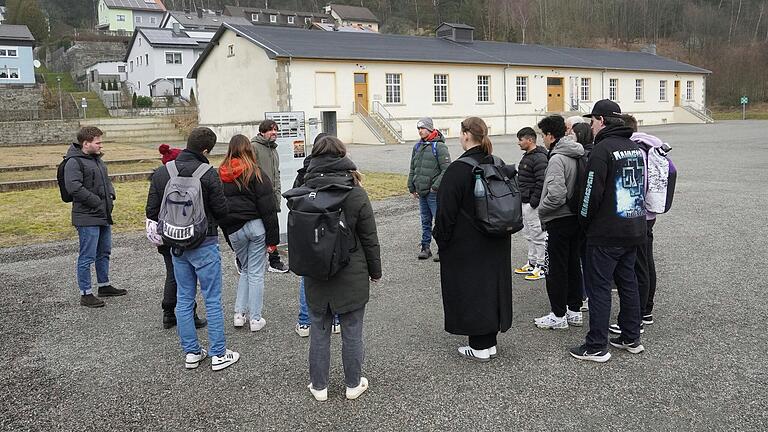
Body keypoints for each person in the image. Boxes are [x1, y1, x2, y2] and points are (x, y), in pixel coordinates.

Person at [146, 127, 239, 371]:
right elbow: (221, 211)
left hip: (175, 245)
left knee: (184, 299)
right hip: (204, 242)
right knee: (213, 298)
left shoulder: (162, 172)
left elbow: (151, 211)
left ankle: (192, 353)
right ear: (206, 150)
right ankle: (219, 354)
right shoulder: (208, 173)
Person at [303, 136, 381, 401]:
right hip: (351, 269)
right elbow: (369, 237)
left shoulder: (303, 190)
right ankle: (352, 383)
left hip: (316, 269)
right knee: (352, 329)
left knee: (319, 329)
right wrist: (375, 271)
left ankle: (319, 385)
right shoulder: (355, 192)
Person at [570, 100, 647, 363]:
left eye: (592, 121)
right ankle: (630, 336)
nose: (590, 127)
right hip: (633, 227)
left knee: (599, 287)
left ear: (601, 120)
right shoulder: (634, 148)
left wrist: (583, 222)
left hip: (606, 232)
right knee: (628, 282)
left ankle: (596, 346)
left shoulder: (602, 150)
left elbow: (590, 192)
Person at [433, 117, 513, 362]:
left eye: (461, 133)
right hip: (497, 237)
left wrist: (442, 241)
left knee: (471, 290)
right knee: (491, 288)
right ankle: (488, 342)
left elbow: (445, 212)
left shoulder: (459, 169)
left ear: (467, 135)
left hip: (467, 243)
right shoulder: (495, 162)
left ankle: (478, 345)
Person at [218, 135, 280, 332]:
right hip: (255, 226)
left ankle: (239, 314)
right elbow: (268, 208)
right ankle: (255, 318)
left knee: (246, 269)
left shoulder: (220, 174)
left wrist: (227, 233)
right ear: (249, 150)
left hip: (234, 228)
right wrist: (273, 240)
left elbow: (217, 207)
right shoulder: (256, 172)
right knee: (255, 272)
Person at [607, 114, 662, 334]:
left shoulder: (634, 149)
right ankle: (645, 310)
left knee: (638, 267)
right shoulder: (651, 147)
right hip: (650, 213)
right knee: (646, 262)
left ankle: (636, 315)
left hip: (637, 214)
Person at [64, 126, 126, 308]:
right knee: (87, 256)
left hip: (102, 214)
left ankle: (104, 285)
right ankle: (85, 293)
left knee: (104, 252)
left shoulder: (97, 160)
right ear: (86, 143)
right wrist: (96, 202)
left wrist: (111, 195)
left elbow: (106, 181)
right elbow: (73, 187)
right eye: (97, 142)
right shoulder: (74, 162)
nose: (101, 145)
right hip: (87, 217)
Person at [534, 115, 584, 330]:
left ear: (550, 135)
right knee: (573, 265)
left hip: (559, 219)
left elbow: (556, 195)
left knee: (555, 268)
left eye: (542, 135)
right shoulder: (577, 153)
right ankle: (574, 311)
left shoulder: (556, 158)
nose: (542, 140)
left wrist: (542, 210)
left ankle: (558, 314)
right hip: (576, 218)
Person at [152, 144, 206, 330]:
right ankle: (190, 314)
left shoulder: (158, 175)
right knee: (188, 277)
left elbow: (150, 209)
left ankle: (168, 313)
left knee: (172, 273)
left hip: (166, 232)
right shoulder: (188, 175)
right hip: (187, 231)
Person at [293, 133, 341, 338]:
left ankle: (305, 321)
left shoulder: (304, 173)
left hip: (308, 232)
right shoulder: (338, 173)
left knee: (308, 276)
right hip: (331, 231)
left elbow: (294, 200)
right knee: (334, 275)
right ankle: (335, 319)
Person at [407, 117, 451, 261]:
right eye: (418, 129)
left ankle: (442, 248)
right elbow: (413, 167)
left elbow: (447, 169)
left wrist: (435, 187)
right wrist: (411, 185)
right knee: (425, 221)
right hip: (421, 191)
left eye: (422, 128)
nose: (420, 131)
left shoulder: (439, 146)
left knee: (439, 221)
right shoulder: (417, 146)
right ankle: (425, 247)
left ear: (430, 129)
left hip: (433, 192)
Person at [252, 119, 289, 273]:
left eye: (275, 130)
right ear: (262, 132)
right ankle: (242, 258)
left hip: (272, 197)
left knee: (272, 230)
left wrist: (277, 194)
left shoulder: (273, 149)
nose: (274, 133)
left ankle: (274, 261)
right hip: (259, 198)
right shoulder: (253, 147)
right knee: (259, 230)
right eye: (270, 130)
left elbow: (276, 174)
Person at [514, 126, 548, 281]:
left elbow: (542, 182)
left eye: (521, 140)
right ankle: (532, 262)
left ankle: (541, 266)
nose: (518, 143)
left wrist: (534, 202)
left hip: (533, 204)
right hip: (525, 201)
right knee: (529, 234)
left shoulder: (539, 157)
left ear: (530, 140)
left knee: (538, 235)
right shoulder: (527, 156)